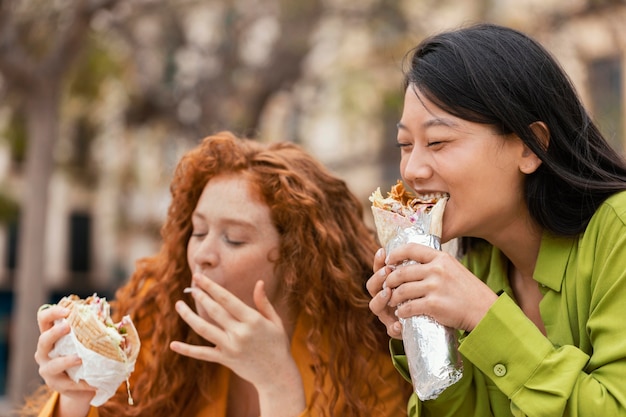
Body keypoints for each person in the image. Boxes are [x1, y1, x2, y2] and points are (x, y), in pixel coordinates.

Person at [27, 131, 411, 417]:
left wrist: (278, 384)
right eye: (198, 232)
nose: (204, 255)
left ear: (296, 261)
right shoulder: (157, 327)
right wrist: (74, 400)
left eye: (234, 239)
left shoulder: (366, 361)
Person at [367, 23, 626, 417]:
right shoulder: (477, 267)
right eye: (405, 145)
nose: (413, 170)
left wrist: (485, 317)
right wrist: (426, 338)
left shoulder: (618, 236)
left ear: (530, 146)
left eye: (437, 142)